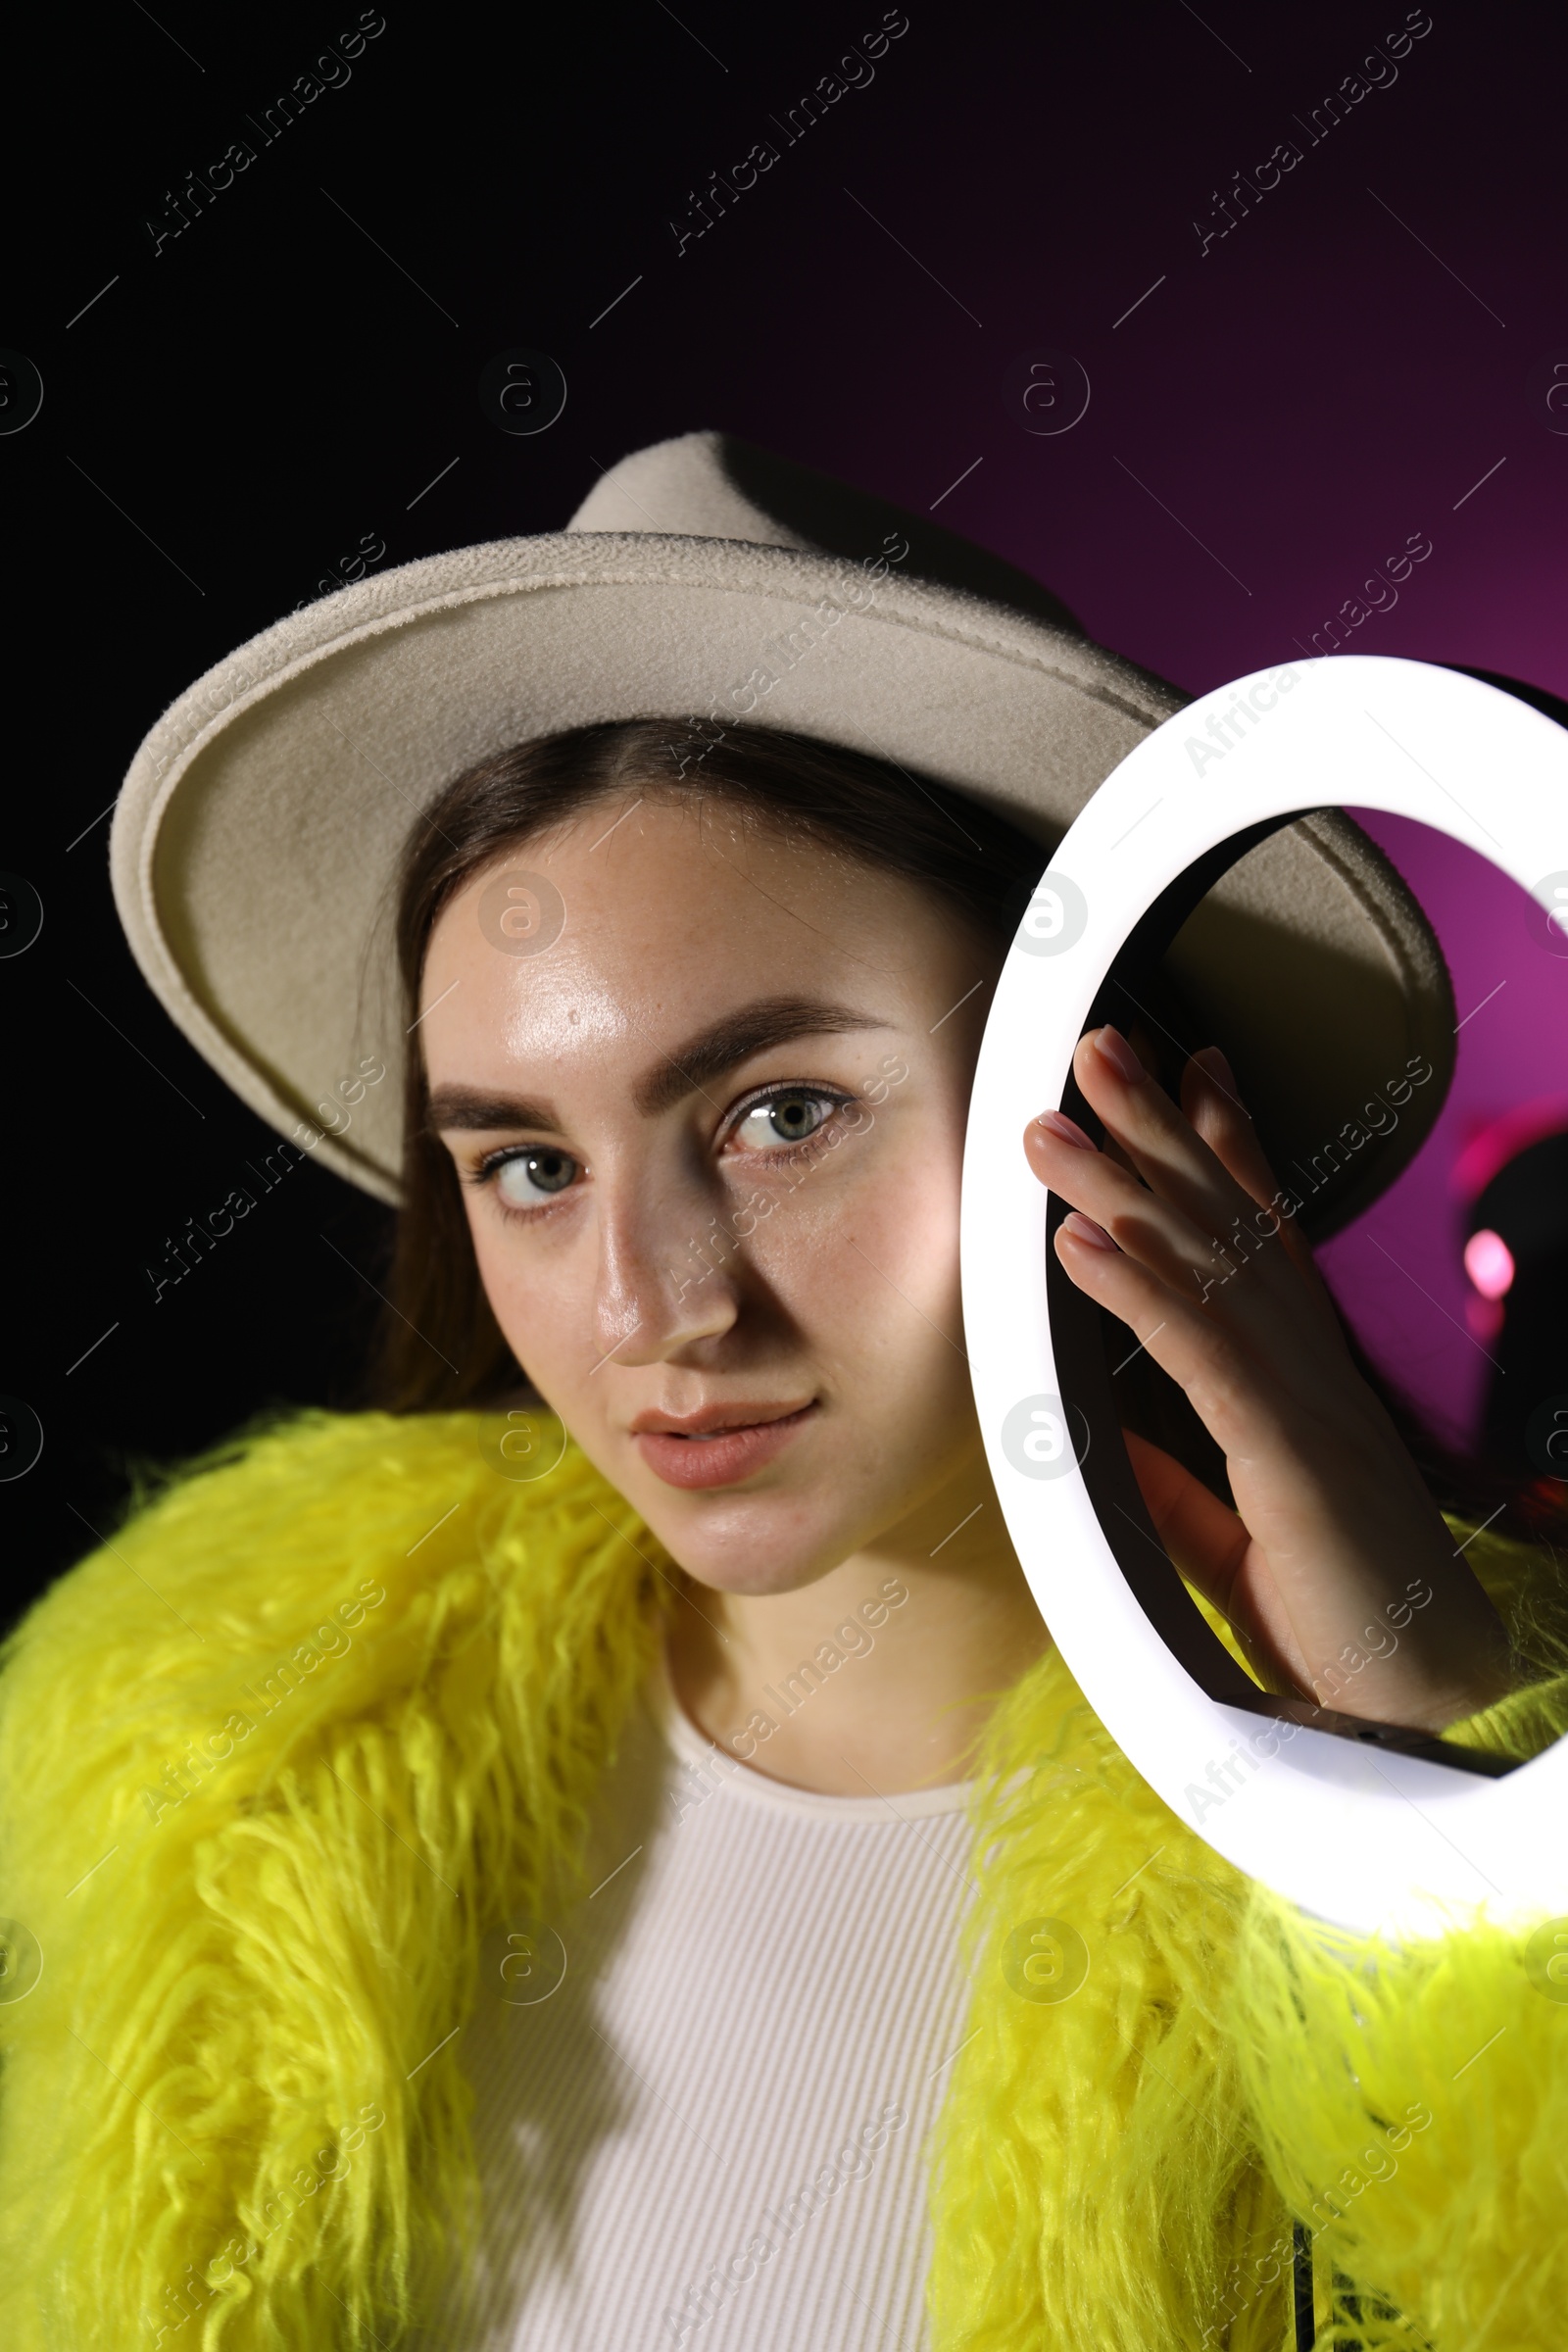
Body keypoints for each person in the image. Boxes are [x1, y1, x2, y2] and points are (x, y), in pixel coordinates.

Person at [2, 434, 1564, 2352]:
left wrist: (1425, 1779)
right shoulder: (203, 1760)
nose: (652, 1308)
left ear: (1105, 1103)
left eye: (778, 1114)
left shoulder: (1408, 1826)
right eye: (524, 1163)